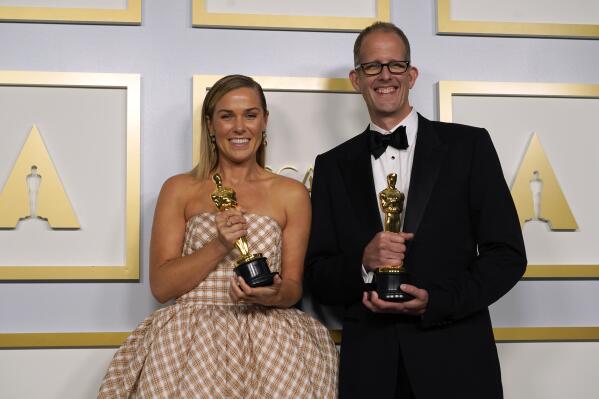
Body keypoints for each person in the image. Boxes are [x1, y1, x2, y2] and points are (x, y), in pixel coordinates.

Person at [305, 22, 526, 399]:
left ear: (412, 74)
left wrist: (436, 301)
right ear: (356, 79)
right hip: (371, 369)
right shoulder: (331, 166)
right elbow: (318, 274)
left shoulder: (469, 146)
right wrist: (363, 262)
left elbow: (506, 256)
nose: (385, 75)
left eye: (395, 64)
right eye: (373, 66)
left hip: (456, 360)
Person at [98, 75, 338, 398]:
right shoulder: (179, 189)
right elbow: (162, 285)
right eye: (227, 116)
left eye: (250, 115)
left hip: (272, 344)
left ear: (264, 121)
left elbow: (293, 288)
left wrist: (271, 294)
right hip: (188, 347)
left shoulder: (291, 194)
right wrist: (219, 245)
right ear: (210, 125)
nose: (240, 127)